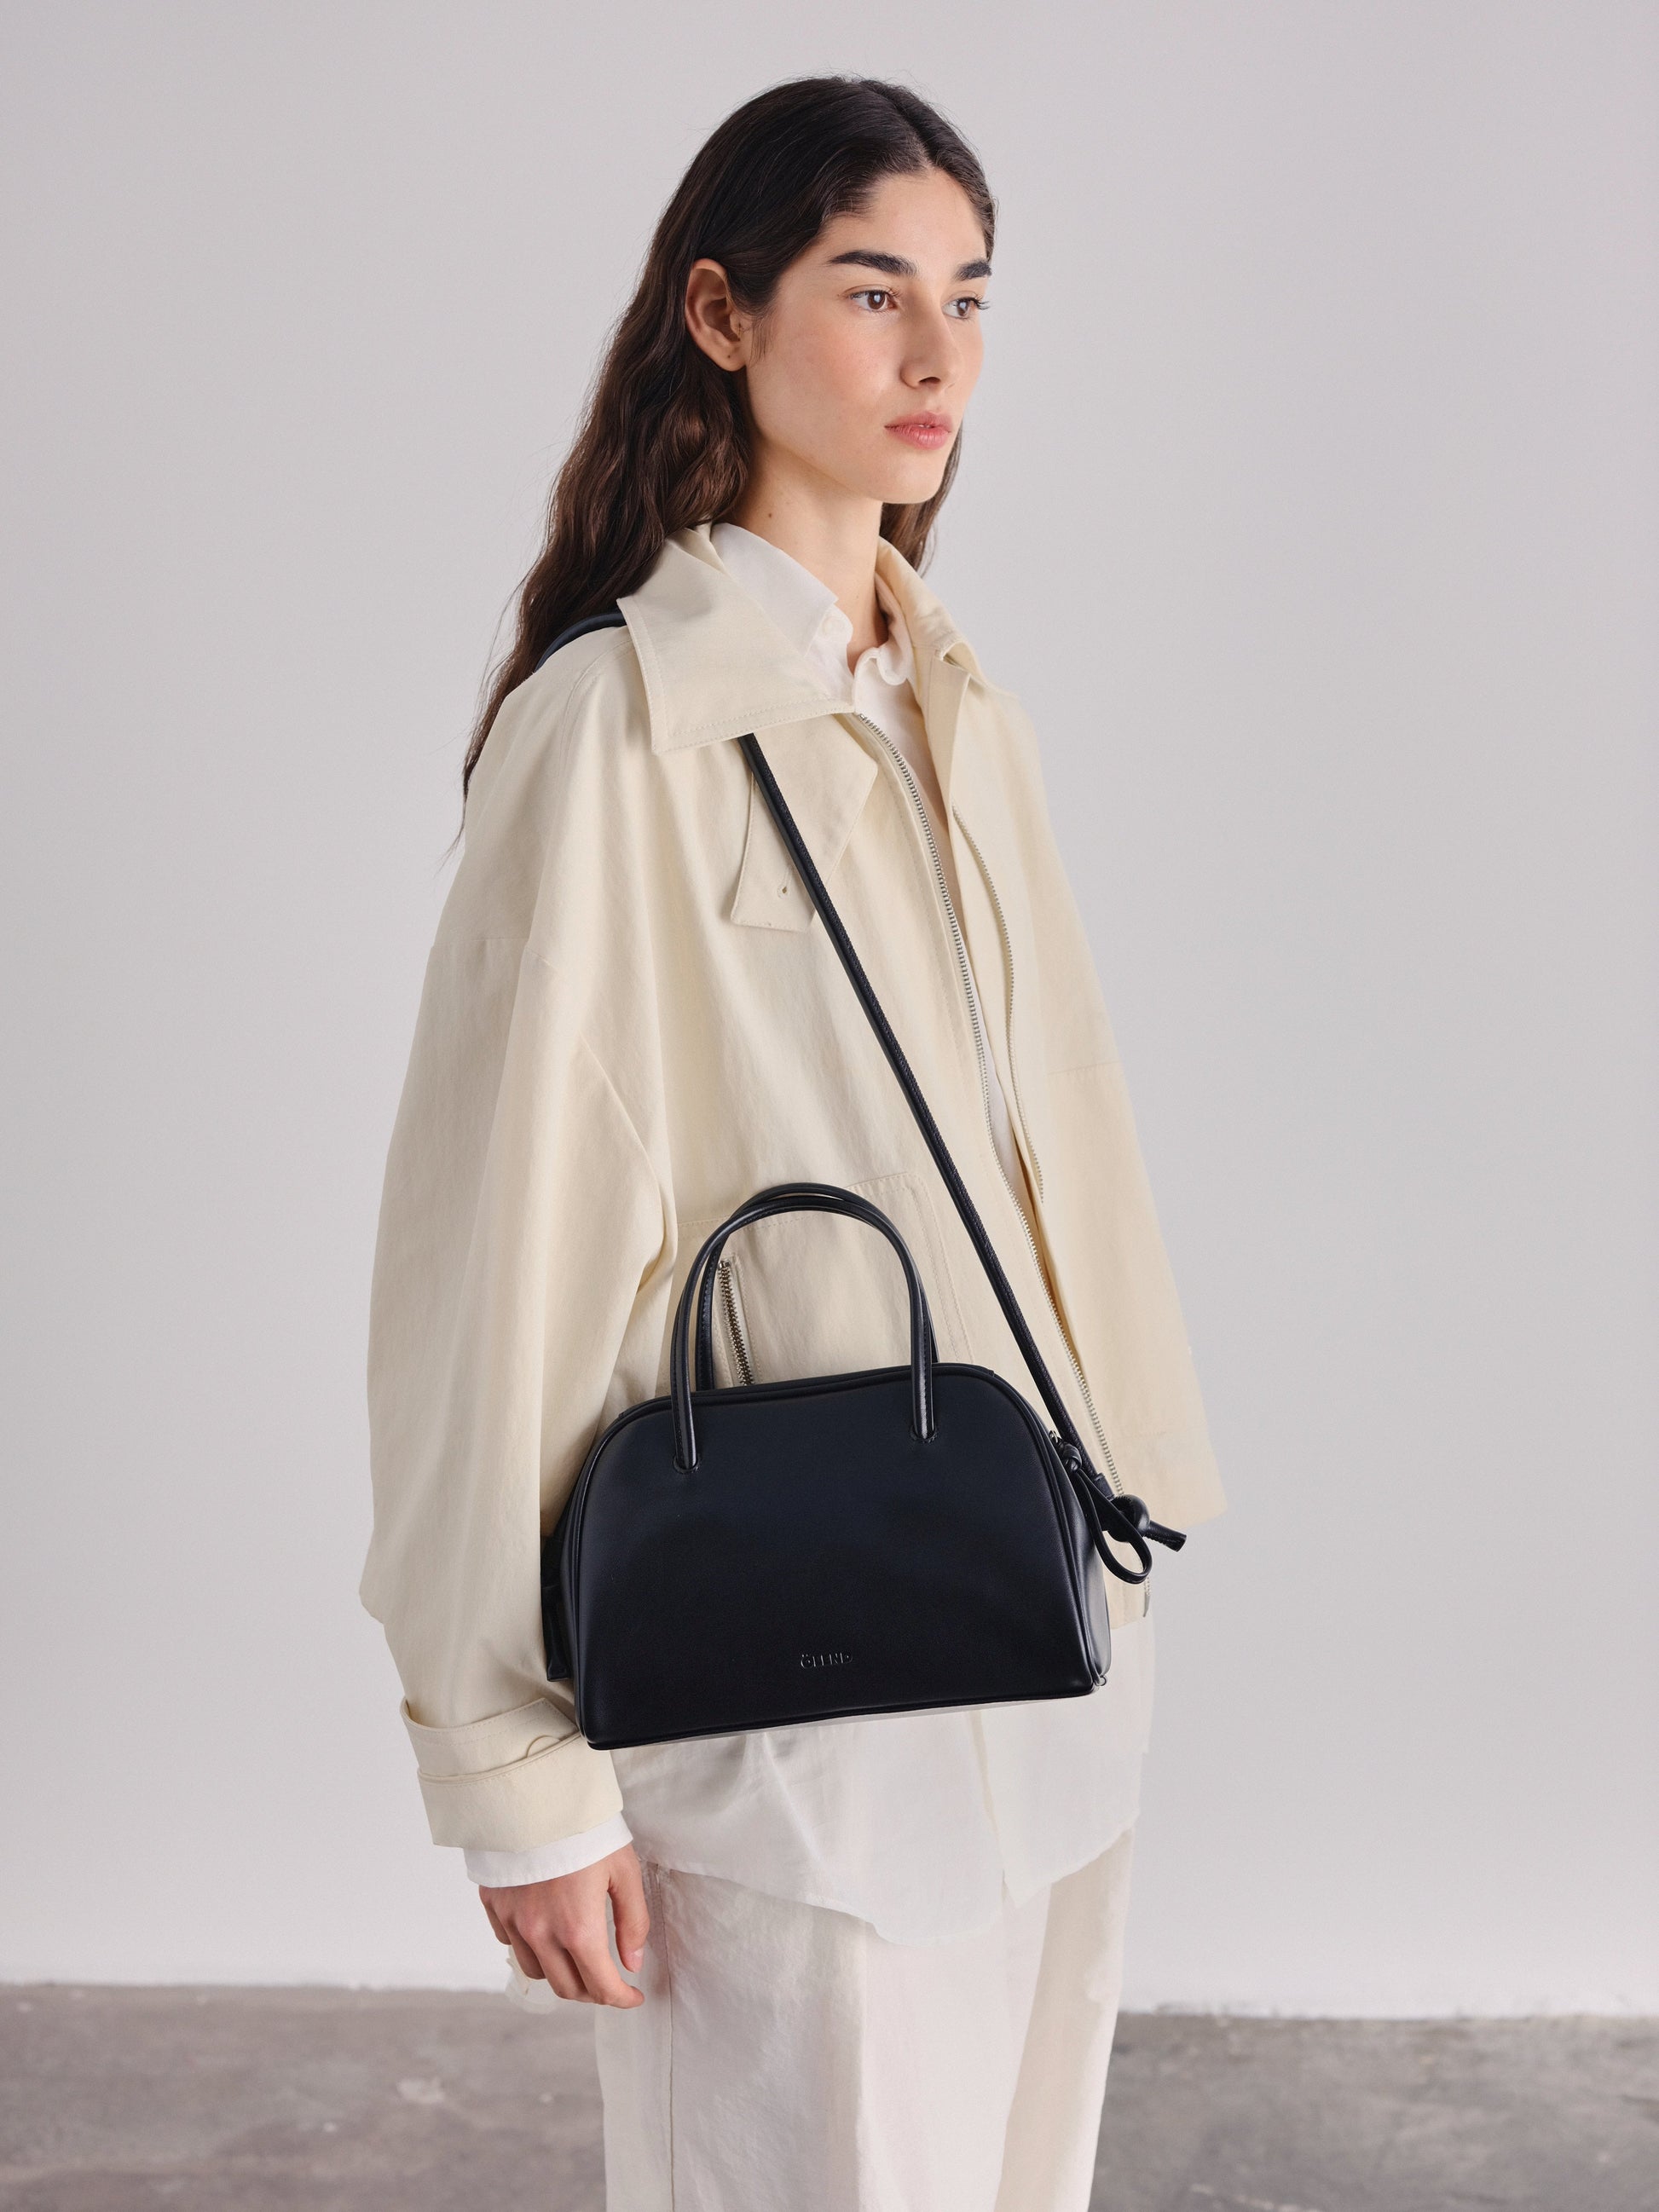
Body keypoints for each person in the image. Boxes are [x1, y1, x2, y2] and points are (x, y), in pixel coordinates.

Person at [362, 73, 1225, 2212]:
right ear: (721, 314)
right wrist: (514, 1766)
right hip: (786, 1718)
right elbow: (500, 1258)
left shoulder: (954, 702)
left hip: (1039, 1664)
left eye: (969, 297)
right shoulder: (615, 729)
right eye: (871, 290)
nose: (938, 355)